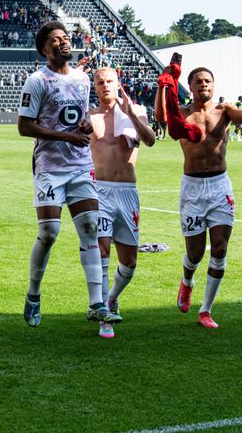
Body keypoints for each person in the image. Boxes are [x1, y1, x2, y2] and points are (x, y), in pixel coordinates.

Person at [18, 20, 109, 328]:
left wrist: (85, 124)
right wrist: (67, 137)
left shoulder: (83, 79)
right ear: (45, 49)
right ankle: (33, 294)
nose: (63, 42)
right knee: (49, 233)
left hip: (81, 166)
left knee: (90, 229)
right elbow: (24, 126)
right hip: (50, 167)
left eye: (65, 38)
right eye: (55, 40)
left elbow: (81, 117)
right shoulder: (37, 80)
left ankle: (96, 303)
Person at [155, 63, 242, 328]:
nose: (204, 85)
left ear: (214, 85)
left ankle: (206, 310)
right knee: (195, 252)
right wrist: (163, 86)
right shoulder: (182, 113)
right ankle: (187, 281)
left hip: (220, 186)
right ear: (190, 86)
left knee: (220, 249)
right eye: (198, 81)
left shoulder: (224, 111)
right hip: (192, 188)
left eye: (208, 81)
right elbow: (160, 117)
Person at [88, 67, 155, 338]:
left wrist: (129, 114)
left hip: (127, 190)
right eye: (100, 82)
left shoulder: (135, 111)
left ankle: (112, 297)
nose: (105, 86)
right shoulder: (89, 115)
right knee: (102, 250)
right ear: (95, 87)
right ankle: (104, 312)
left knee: (129, 262)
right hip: (99, 190)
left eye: (110, 82)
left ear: (119, 84)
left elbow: (149, 139)